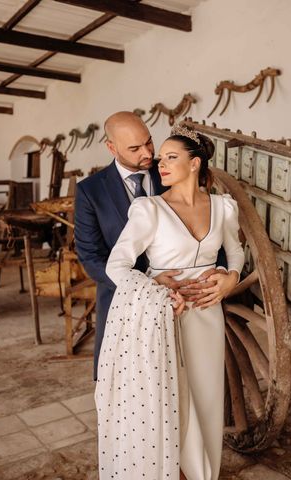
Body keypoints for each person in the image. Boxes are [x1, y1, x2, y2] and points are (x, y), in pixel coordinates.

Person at [97, 125, 244, 479]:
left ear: (195, 164)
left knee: (207, 399)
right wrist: (155, 288)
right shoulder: (149, 210)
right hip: (166, 317)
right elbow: (116, 265)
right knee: (172, 400)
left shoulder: (223, 207)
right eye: (160, 158)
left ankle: (203, 473)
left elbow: (236, 251)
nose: (160, 164)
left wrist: (230, 278)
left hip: (208, 317)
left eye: (171, 158)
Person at [74, 112, 228, 380]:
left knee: (190, 378)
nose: (147, 153)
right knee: (131, 382)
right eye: (134, 148)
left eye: (148, 142)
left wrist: (224, 271)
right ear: (112, 148)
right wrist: (148, 283)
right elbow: (90, 256)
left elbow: (210, 227)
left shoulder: (171, 168)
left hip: (189, 298)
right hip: (123, 299)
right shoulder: (90, 191)